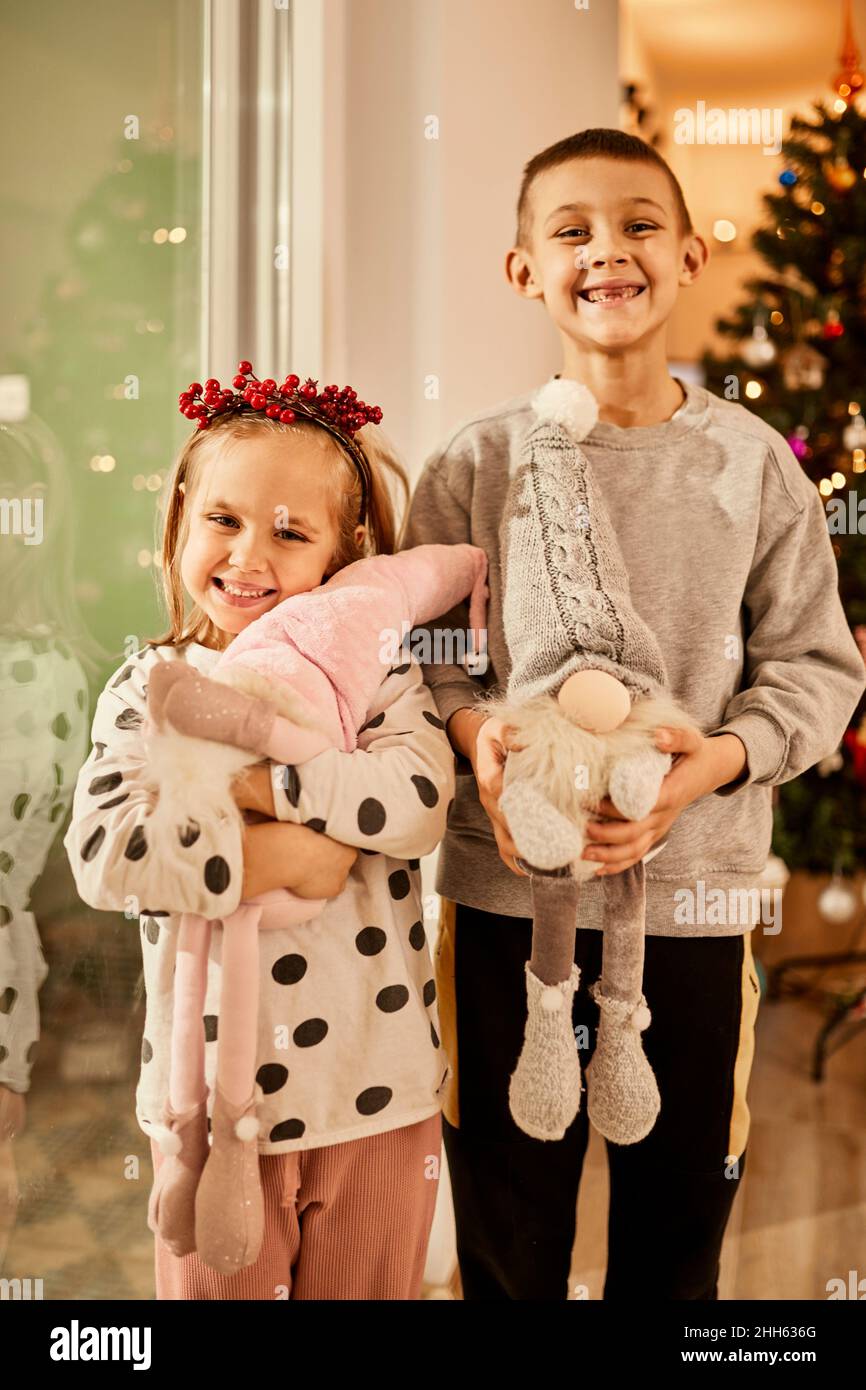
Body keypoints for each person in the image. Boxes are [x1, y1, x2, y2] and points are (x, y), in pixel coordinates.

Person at [402, 128, 866, 1300]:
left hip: (699, 909)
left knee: (674, 1248)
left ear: (689, 254)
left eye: (636, 223)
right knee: (507, 1237)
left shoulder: (754, 467)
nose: (605, 251)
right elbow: (424, 656)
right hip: (508, 905)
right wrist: (479, 746)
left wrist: (709, 762)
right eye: (570, 231)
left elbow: (813, 667)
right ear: (522, 270)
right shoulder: (476, 463)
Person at [64, 369, 457, 1299]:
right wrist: (291, 850)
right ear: (180, 526)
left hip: (376, 1098)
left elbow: (416, 799)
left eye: (290, 532)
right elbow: (107, 853)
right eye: (224, 520)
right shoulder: (151, 685)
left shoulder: (382, 680)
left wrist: (263, 783)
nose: (250, 554)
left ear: (345, 554)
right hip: (198, 1115)